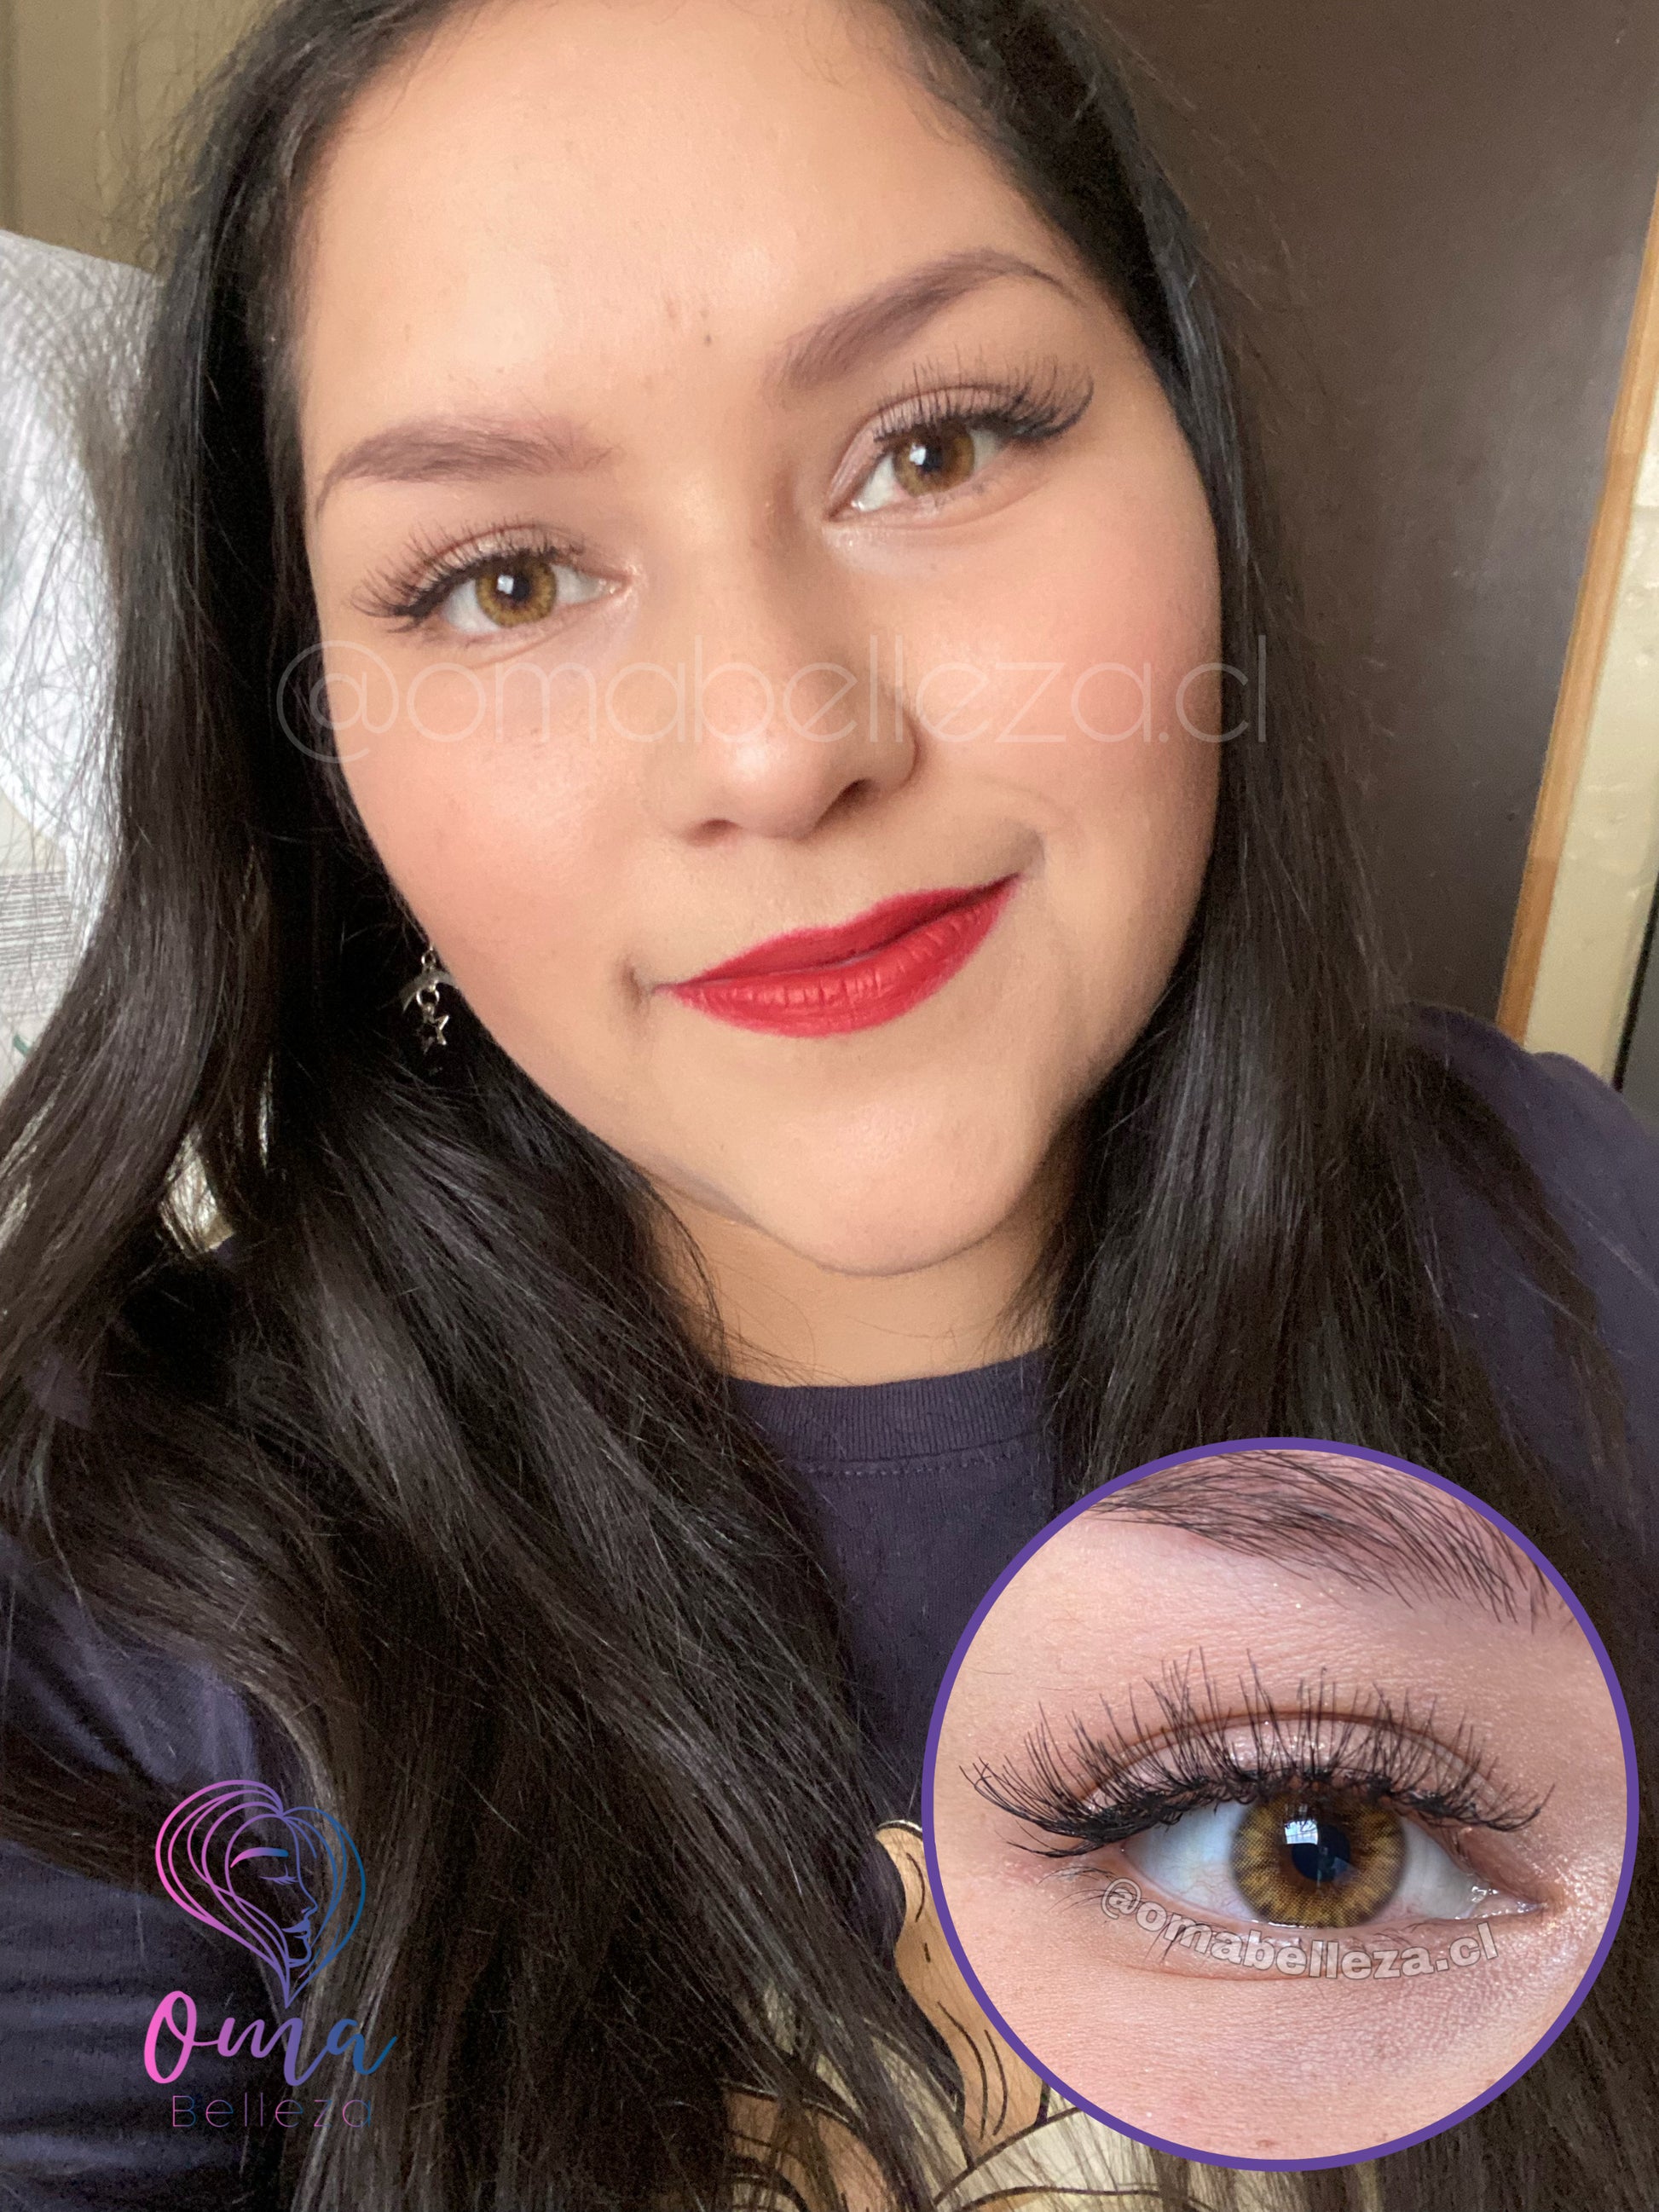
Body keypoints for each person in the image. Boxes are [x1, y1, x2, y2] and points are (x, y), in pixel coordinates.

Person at [0, 0, 1653, 2206]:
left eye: (936, 447)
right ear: (316, 752)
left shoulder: (1590, 1250)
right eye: (505, 577)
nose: (777, 746)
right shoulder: (123, 1599)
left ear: (1194, 453)